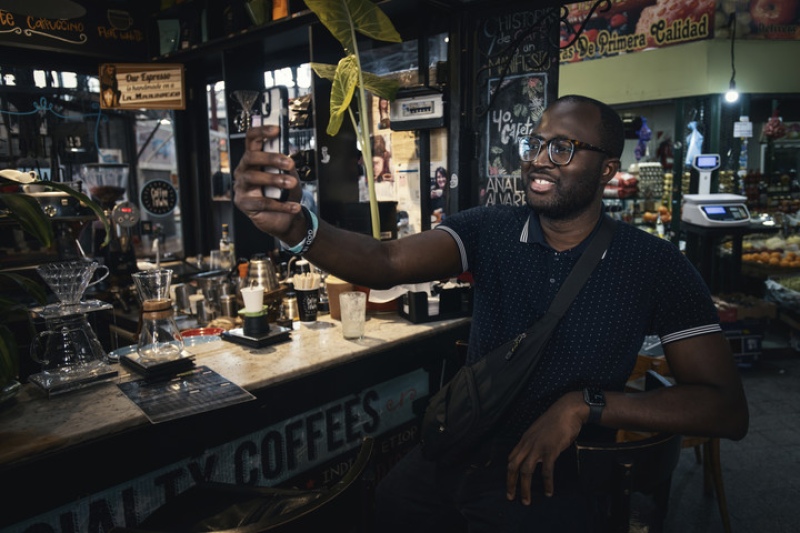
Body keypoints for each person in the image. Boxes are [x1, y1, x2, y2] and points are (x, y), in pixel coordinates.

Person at [233, 95, 749, 532]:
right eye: (535, 144)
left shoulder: (653, 264)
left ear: (608, 169)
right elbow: (385, 262)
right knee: (387, 503)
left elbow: (723, 408)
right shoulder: (490, 230)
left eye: (562, 148)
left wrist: (583, 406)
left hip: (557, 477)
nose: (539, 160)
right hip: (458, 451)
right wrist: (297, 227)